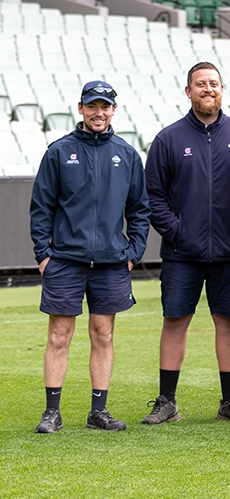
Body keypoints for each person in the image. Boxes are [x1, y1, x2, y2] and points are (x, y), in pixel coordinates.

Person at [140, 62, 230, 425]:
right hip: (182, 254)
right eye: (200, 84)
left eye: (213, 83)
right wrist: (178, 232)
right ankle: (167, 402)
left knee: (229, 323)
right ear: (188, 91)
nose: (208, 89)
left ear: (223, 89)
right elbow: (153, 197)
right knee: (175, 321)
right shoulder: (169, 139)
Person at [30, 80, 150, 433]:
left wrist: (133, 252)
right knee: (59, 335)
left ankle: (99, 411)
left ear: (114, 110)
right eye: (92, 106)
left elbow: (140, 210)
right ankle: (52, 412)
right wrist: (43, 255)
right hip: (65, 259)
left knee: (103, 334)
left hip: (112, 262)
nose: (99, 113)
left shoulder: (127, 155)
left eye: (105, 106)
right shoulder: (58, 152)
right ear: (80, 108)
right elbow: (41, 208)